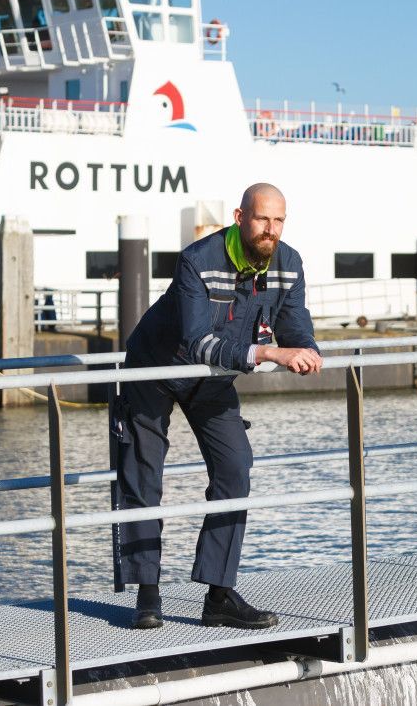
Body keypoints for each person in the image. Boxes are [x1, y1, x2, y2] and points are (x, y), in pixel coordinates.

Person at [113, 183, 322, 630]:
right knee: (142, 477)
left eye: (279, 221)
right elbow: (196, 340)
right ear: (240, 216)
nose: (271, 230)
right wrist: (267, 354)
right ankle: (147, 594)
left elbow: (293, 321)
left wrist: (306, 349)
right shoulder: (198, 260)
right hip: (155, 369)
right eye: (263, 219)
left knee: (235, 467)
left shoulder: (289, 263)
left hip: (211, 378)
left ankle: (219, 595)